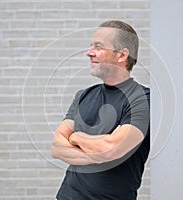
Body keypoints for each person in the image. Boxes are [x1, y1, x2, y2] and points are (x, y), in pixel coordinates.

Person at [51, 20, 150, 200]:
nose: (89, 53)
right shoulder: (83, 96)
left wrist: (75, 137)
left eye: (98, 46)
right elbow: (57, 148)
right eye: (91, 46)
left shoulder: (142, 99)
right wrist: (100, 152)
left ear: (121, 55)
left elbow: (111, 149)